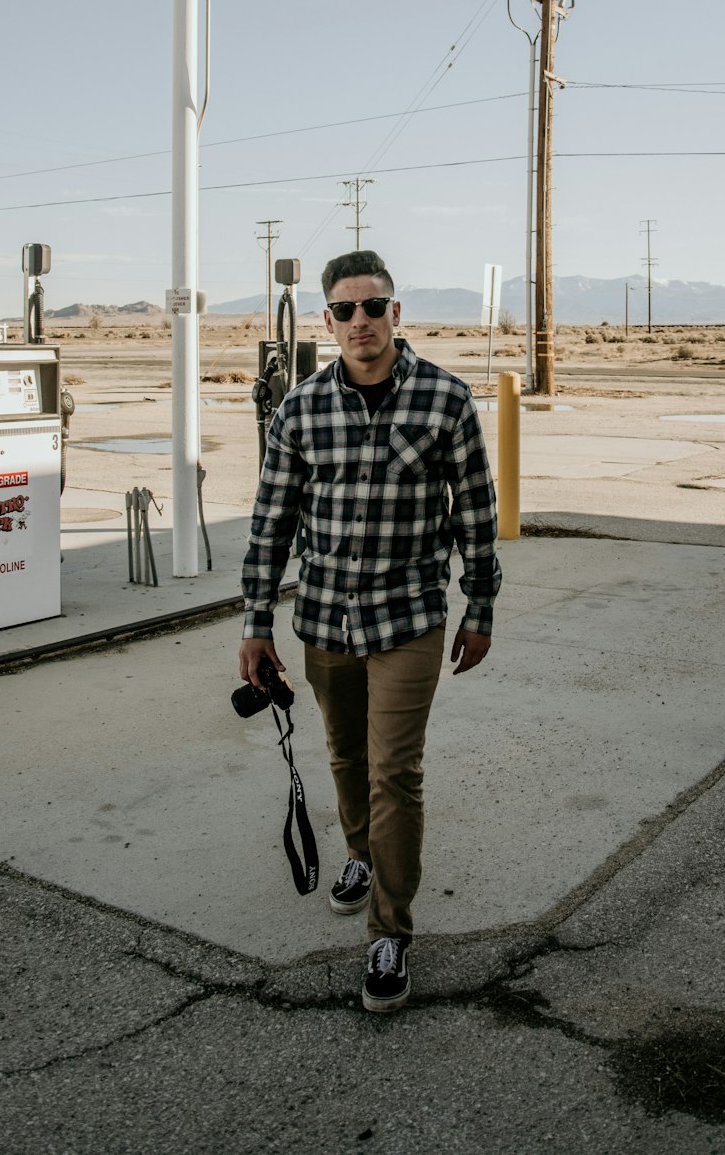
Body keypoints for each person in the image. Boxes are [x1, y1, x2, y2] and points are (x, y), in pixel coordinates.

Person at [239, 249, 501, 1013]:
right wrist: (256, 623)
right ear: (326, 321)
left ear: (397, 312)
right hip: (325, 617)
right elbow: (271, 524)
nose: (361, 322)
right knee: (346, 754)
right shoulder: (301, 410)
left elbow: (477, 517)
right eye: (346, 310)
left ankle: (390, 930)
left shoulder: (446, 401)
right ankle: (358, 853)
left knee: (395, 770)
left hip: (410, 616)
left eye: (374, 306)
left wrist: (480, 607)